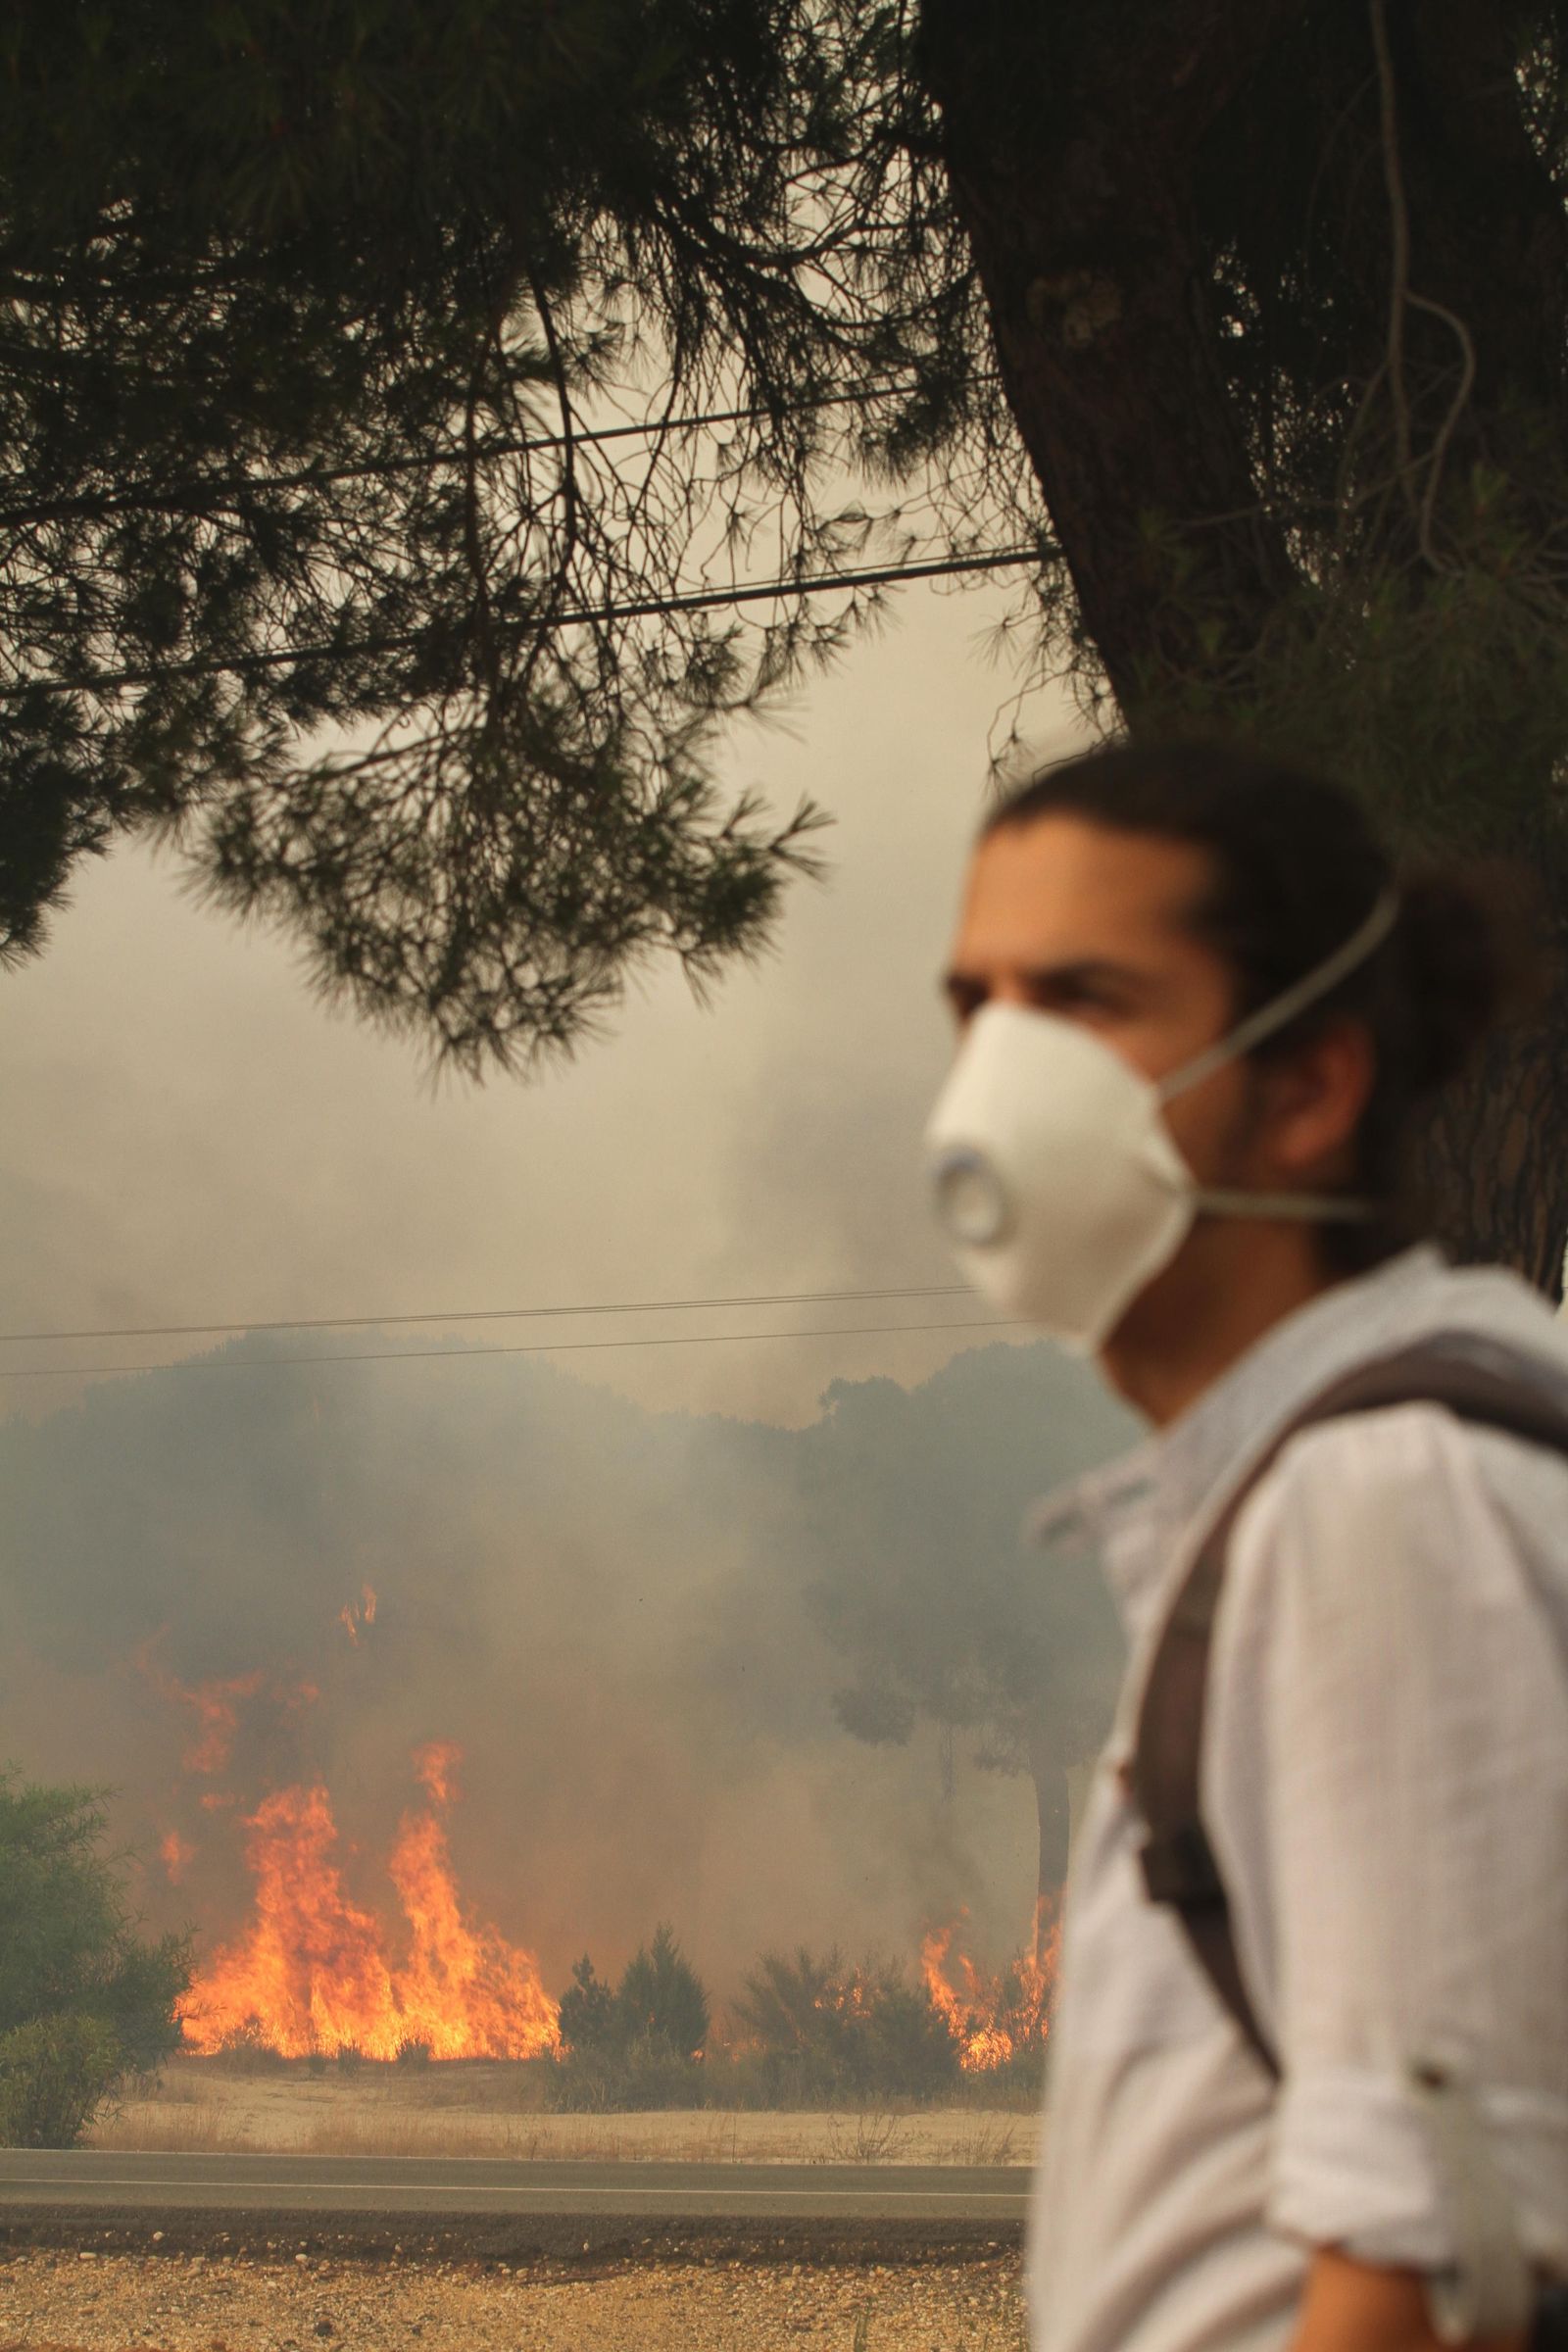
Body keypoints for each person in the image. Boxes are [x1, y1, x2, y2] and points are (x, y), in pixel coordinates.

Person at [924, 741, 1568, 2352]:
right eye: (975, 1005)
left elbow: (1429, 2268)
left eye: (1081, 999)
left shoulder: (1382, 1498)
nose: (1001, 1070)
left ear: (1310, 1088)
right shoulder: (1328, 1477)